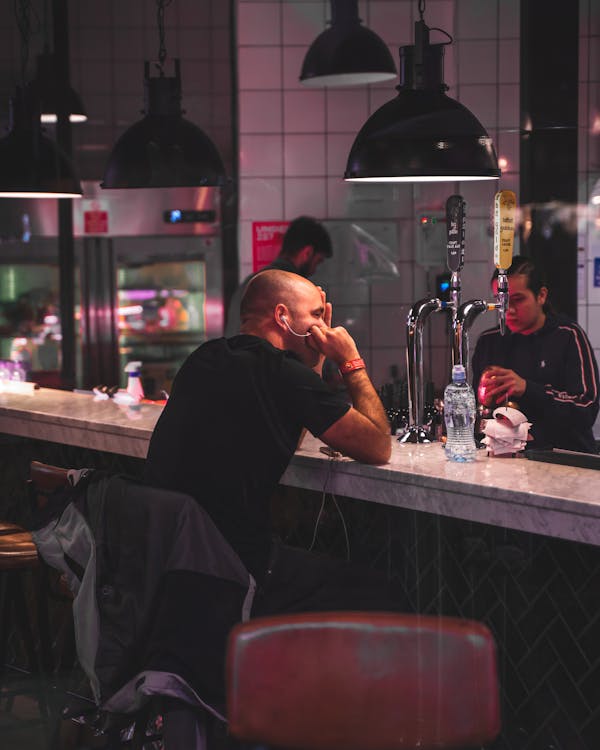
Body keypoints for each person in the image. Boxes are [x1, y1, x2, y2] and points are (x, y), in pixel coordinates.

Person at [472, 255, 599, 453]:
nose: (508, 310)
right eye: (501, 300)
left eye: (518, 300)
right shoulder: (489, 341)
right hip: (507, 461)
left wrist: (527, 389)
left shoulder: (568, 336)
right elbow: (476, 410)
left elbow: (586, 409)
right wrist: (486, 400)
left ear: (541, 296)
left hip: (565, 459)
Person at [224, 215, 333, 337]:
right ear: (307, 253)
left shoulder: (250, 282)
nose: (314, 270)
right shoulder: (293, 291)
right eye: (318, 261)